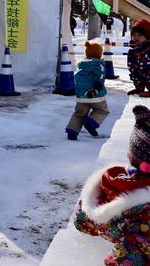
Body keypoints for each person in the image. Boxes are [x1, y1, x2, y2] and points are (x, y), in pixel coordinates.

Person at [73, 105, 150, 265]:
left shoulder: (112, 179)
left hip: (109, 227)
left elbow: (81, 218)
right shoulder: (144, 212)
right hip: (136, 237)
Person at [65, 42, 109, 140]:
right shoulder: (99, 65)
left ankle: (72, 132)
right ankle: (91, 123)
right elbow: (100, 78)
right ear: (99, 54)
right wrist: (96, 90)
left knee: (79, 113)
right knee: (102, 110)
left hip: (81, 97)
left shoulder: (81, 66)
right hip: (95, 95)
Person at [128, 19, 150, 97]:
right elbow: (134, 71)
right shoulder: (133, 52)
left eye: (140, 35)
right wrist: (139, 87)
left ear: (147, 37)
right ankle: (140, 87)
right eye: (134, 35)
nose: (136, 37)